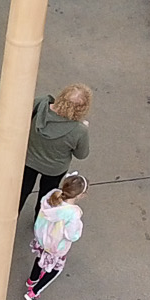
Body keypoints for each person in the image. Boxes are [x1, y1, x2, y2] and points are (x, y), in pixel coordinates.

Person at [22, 84, 92, 218]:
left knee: (21, 192)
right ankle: (41, 221)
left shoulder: (40, 104)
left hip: (29, 160)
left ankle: (10, 221)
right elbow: (81, 154)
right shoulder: (79, 130)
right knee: (47, 196)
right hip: (54, 169)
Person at [25, 172, 88, 300]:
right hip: (56, 246)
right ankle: (34, 292)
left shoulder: (52, 196)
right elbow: (72, 235)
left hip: (42, 239)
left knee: (40, 257)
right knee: (55, 269)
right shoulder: (73, 213)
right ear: (80, 195)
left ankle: (32, 279)